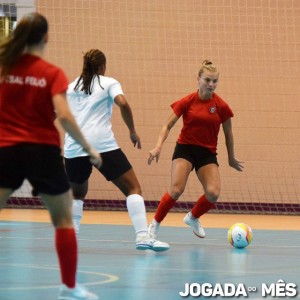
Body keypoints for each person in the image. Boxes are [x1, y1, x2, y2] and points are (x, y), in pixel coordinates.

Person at [0, 12, 102, 300]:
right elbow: (66, 116)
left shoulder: (4, 67)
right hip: (42, 152)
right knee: (64, 221)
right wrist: (88, 148)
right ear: (46, 37)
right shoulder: (51, 72)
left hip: (5, 150)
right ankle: (69, 288)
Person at [63, 49, 169, 252]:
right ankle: (142, 237)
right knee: (133, 189)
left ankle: (71, 239)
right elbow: (123, 103)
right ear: (102, 66)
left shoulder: (70, 87)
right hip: (101, 145)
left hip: (74, 147)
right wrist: (132, 131)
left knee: (77, 194)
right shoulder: (109, 83)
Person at [148, 60, 244, 241]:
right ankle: (154, 225)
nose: (211, 84)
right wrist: (158, 146)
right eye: (207, 80)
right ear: (198, 79)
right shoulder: (187, 101)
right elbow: (167, 125)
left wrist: (231, 157)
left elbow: (228, 134)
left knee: (213, 194)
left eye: (215, 81)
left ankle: (192, 217)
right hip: (185, 149)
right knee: (176, 190)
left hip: (207, 153)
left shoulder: (221, 106)